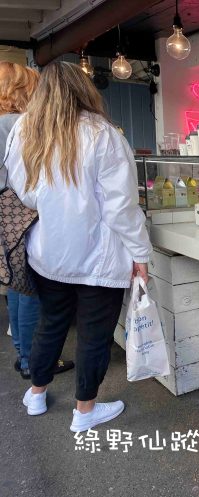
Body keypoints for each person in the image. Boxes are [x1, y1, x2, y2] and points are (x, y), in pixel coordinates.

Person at [4, 61, 152, 431]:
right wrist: (140, 253)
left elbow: (24, 192)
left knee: (51, 323)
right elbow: (121, 207)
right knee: (93, 334)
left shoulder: (25, 129)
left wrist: (53, 203)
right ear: (85, 90)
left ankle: (36, 394)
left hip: (48, 253)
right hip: (98, 257)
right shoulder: (102, 133)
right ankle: (84, 412)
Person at [0, 61, 74, 380]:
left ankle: (22, 352)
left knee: (16, 283)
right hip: (21, 210)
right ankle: (34, 359)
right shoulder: (21, 123)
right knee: (30, 286)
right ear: (22, 90)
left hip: (4, 213)